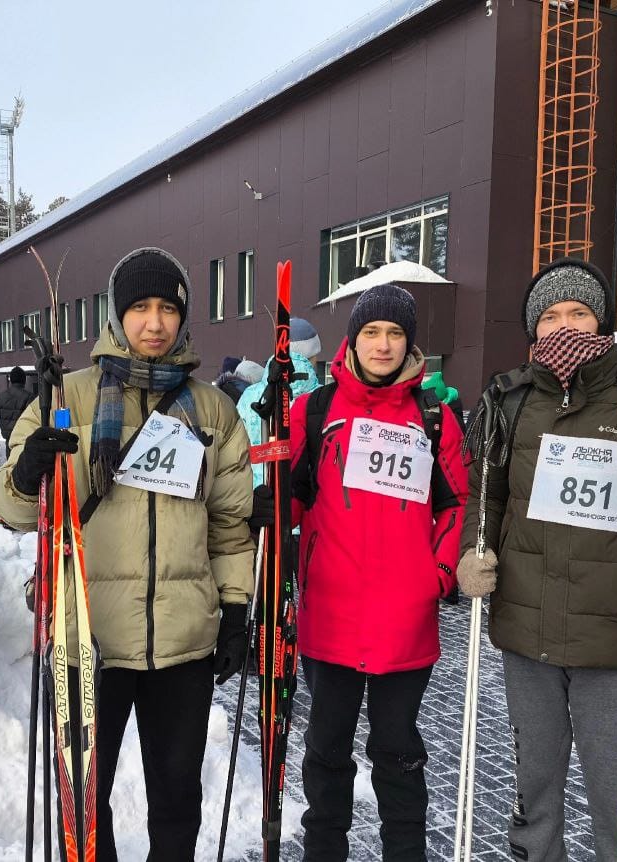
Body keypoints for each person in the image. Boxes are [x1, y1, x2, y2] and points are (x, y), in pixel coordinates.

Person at [0, 247, 255, 860]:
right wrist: (29, 473)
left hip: (182, 643)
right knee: (83, 802)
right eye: (141, 308)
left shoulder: (212, 409)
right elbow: (14, 509)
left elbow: (230, 524)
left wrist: (237, 609)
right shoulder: (69, 398)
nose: (155, 323)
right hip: (90, 638)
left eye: (167, 308)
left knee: (176, 802)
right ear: (119, 315)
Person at [456, 258, 617, 860]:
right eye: (549, 316)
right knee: (535, 789)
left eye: (578, 312)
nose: (563, 326)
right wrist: (475, 551)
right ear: (532, 329)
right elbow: (487, 493)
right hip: (527, 630)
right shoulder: (511, 399)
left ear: (601, 320)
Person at [263, 284, 468, 861]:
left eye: (395, 334)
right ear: (353, 339)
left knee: (398, 752)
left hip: (406, 619)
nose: (383, 345)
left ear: (409, 344)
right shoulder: (317, 408)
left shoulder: (434, 416)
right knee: (327, 749)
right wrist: (274, 511)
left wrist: (440, 574)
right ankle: (323, 852)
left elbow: (455, 502)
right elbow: (295, 496)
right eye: (371, 332)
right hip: (331, 611)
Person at [237, 317, 323, 487]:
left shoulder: (250, 396)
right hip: (306, 495)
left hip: (255, 495)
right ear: (312, 357)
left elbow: (236, 451)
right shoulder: (323, 397)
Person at [0, 366, 35, 459]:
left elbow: (0, 418)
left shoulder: (1, 396)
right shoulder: (28, 396)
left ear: (11, 380)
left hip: (9, 439)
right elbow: (31, 419)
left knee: (11, 466)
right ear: (24, 380)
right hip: (23, 440)